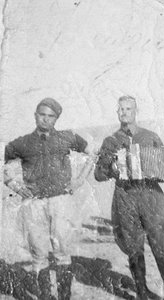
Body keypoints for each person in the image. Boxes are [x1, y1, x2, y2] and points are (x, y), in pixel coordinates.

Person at [94, 95, 164, 300]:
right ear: (117, 112)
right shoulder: (110, 141)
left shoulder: (150, 137)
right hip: (125, 197)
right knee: (133, 246)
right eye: (121, 109)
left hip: (151, 196)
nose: (124, 112)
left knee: (161, 244)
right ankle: (142, 292)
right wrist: (111, 168)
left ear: (136, 112)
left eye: (128, 109)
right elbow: (98, 174)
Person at [4, 98, 94, 300]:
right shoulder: (21, 143)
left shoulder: (67, 137)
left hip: (61, 201)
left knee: (62, 252)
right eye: (41, 114)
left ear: (56, 118)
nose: (45, 119)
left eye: (50, 116)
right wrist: (17, 187)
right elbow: (5, 170)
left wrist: (79, 180)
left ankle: (64, 297)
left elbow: (92, 153)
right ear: (35, 115)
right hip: (34, 204)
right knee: (38, 255)